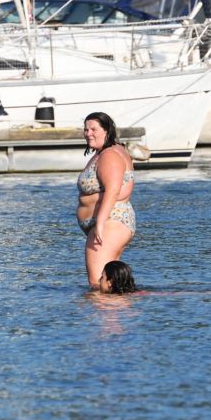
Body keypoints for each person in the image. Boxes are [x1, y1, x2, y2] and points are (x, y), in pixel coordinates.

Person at [77, 112, 136, 293]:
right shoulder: (106, 152)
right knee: (111, 284)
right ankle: (116, 315)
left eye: (94, 129)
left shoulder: (110, 154)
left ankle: (107, 319)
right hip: (109, 223)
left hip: (110, 222)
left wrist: (100, 224)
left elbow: (113, 190)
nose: (88, 133)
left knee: (98, 286)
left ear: (107, 131)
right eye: (86, 129)